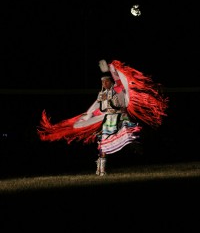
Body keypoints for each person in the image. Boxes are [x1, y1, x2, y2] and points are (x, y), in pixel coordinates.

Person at [37, 59, 168, 176]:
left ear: (110, 82)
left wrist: (113, 67)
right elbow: (97, 108)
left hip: (120, 117)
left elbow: (119, 81)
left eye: (106, 81)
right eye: (103, 82)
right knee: (103, 145)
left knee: (130, 135)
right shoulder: (102, 95)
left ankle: (137, 149)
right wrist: (88, 116)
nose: (105, 84)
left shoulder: (117, 89)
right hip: (108, 121)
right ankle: (101, 169)